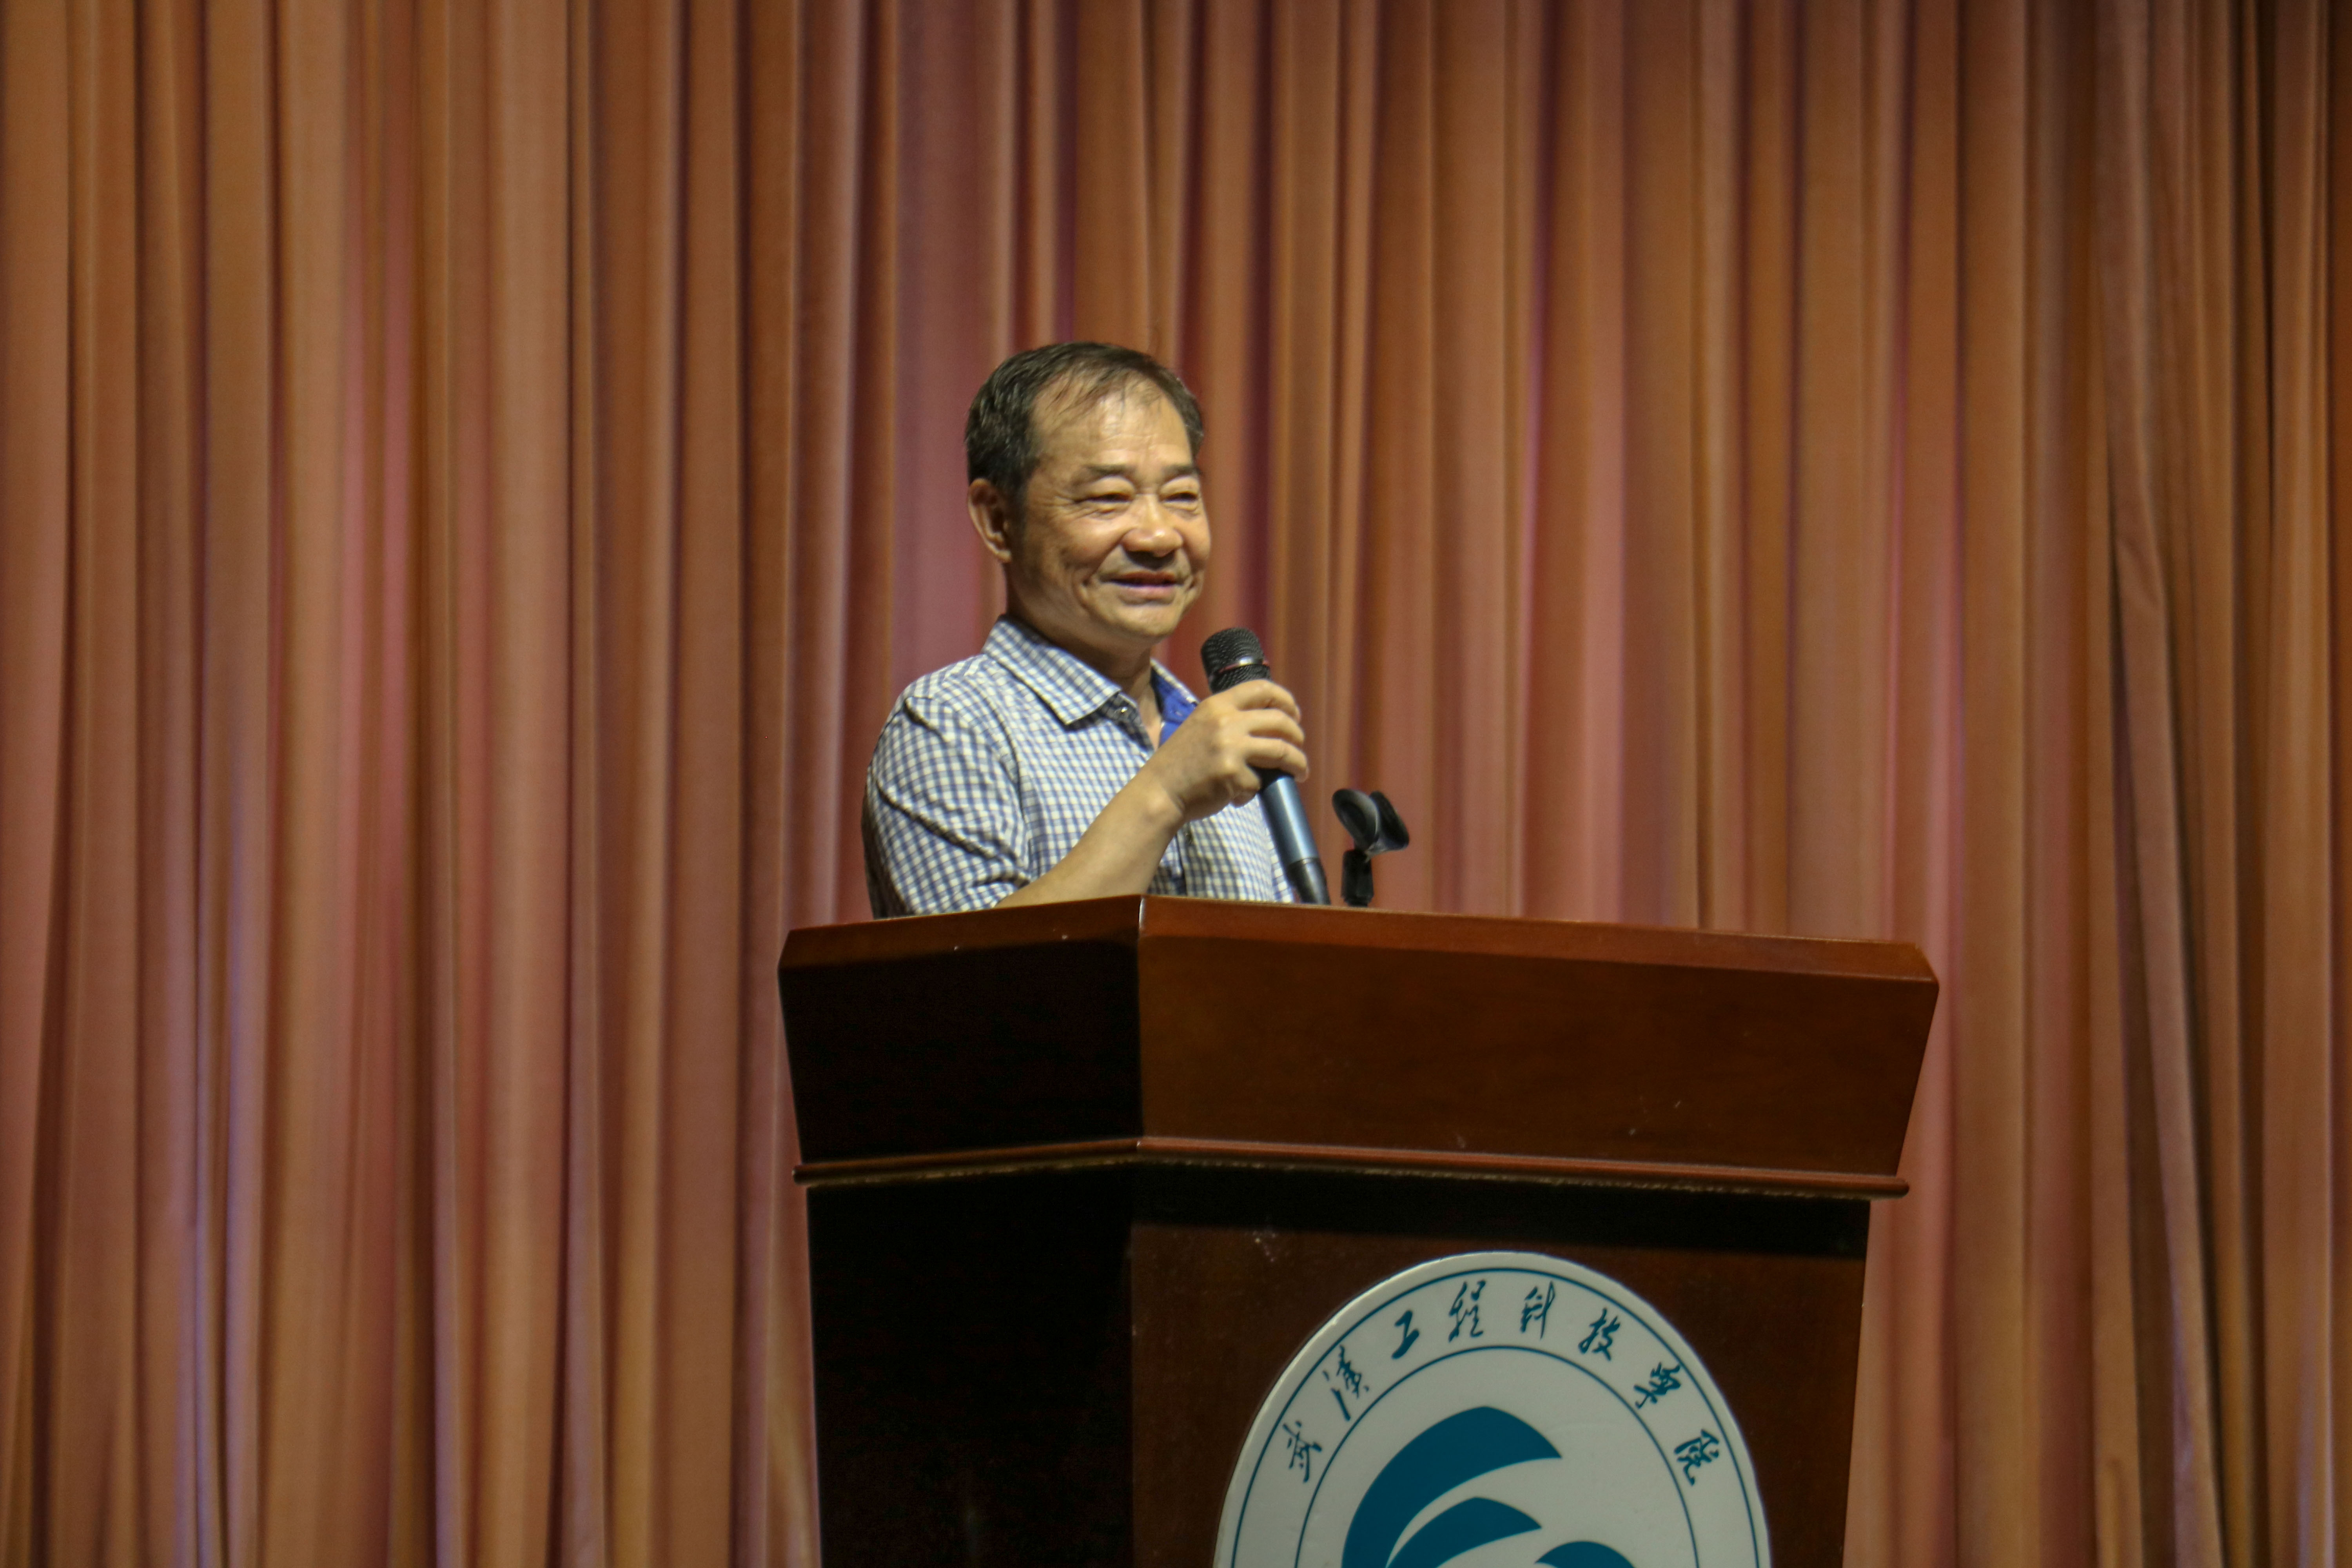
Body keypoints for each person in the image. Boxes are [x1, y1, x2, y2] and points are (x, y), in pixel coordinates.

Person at [862, 342, 1310, 917]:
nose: (1159, 536)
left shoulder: (1220, 737)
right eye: (1109, 498)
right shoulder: (953, 722)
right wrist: (1165, 793)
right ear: (998, 519)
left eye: (1182, 497)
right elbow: (980, 968)